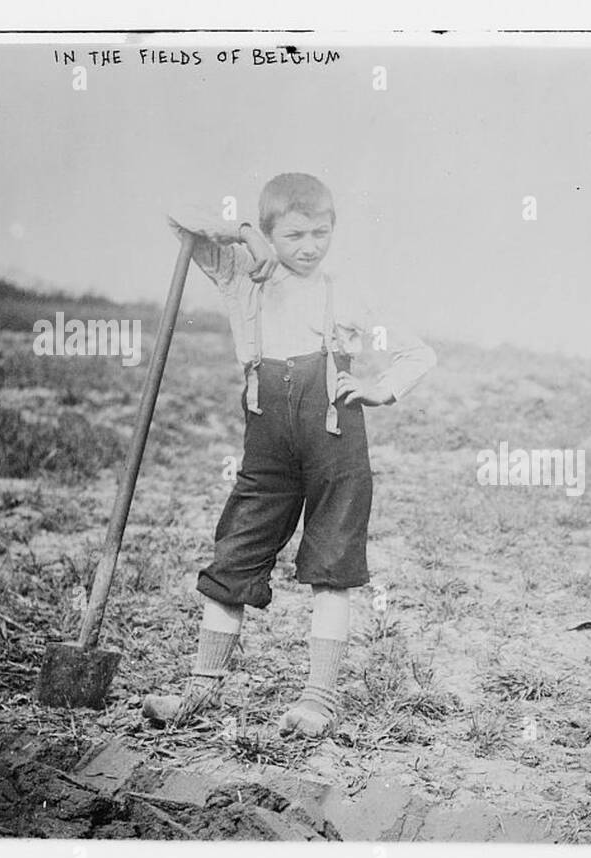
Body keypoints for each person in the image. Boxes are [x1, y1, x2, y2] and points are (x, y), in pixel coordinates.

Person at [142, 172, 436, 736]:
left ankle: (317, 702)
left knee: (332, 566)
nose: (309, 247)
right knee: (235, 555)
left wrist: (381, 388)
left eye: (320, 234)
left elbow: (417, 353)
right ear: (272, 232)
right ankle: (202, 689)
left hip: (334, 439)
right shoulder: (239, 274)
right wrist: (242, 232)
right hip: (267, 440)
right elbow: (173, 207)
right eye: (295, 235)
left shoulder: (344, 290)